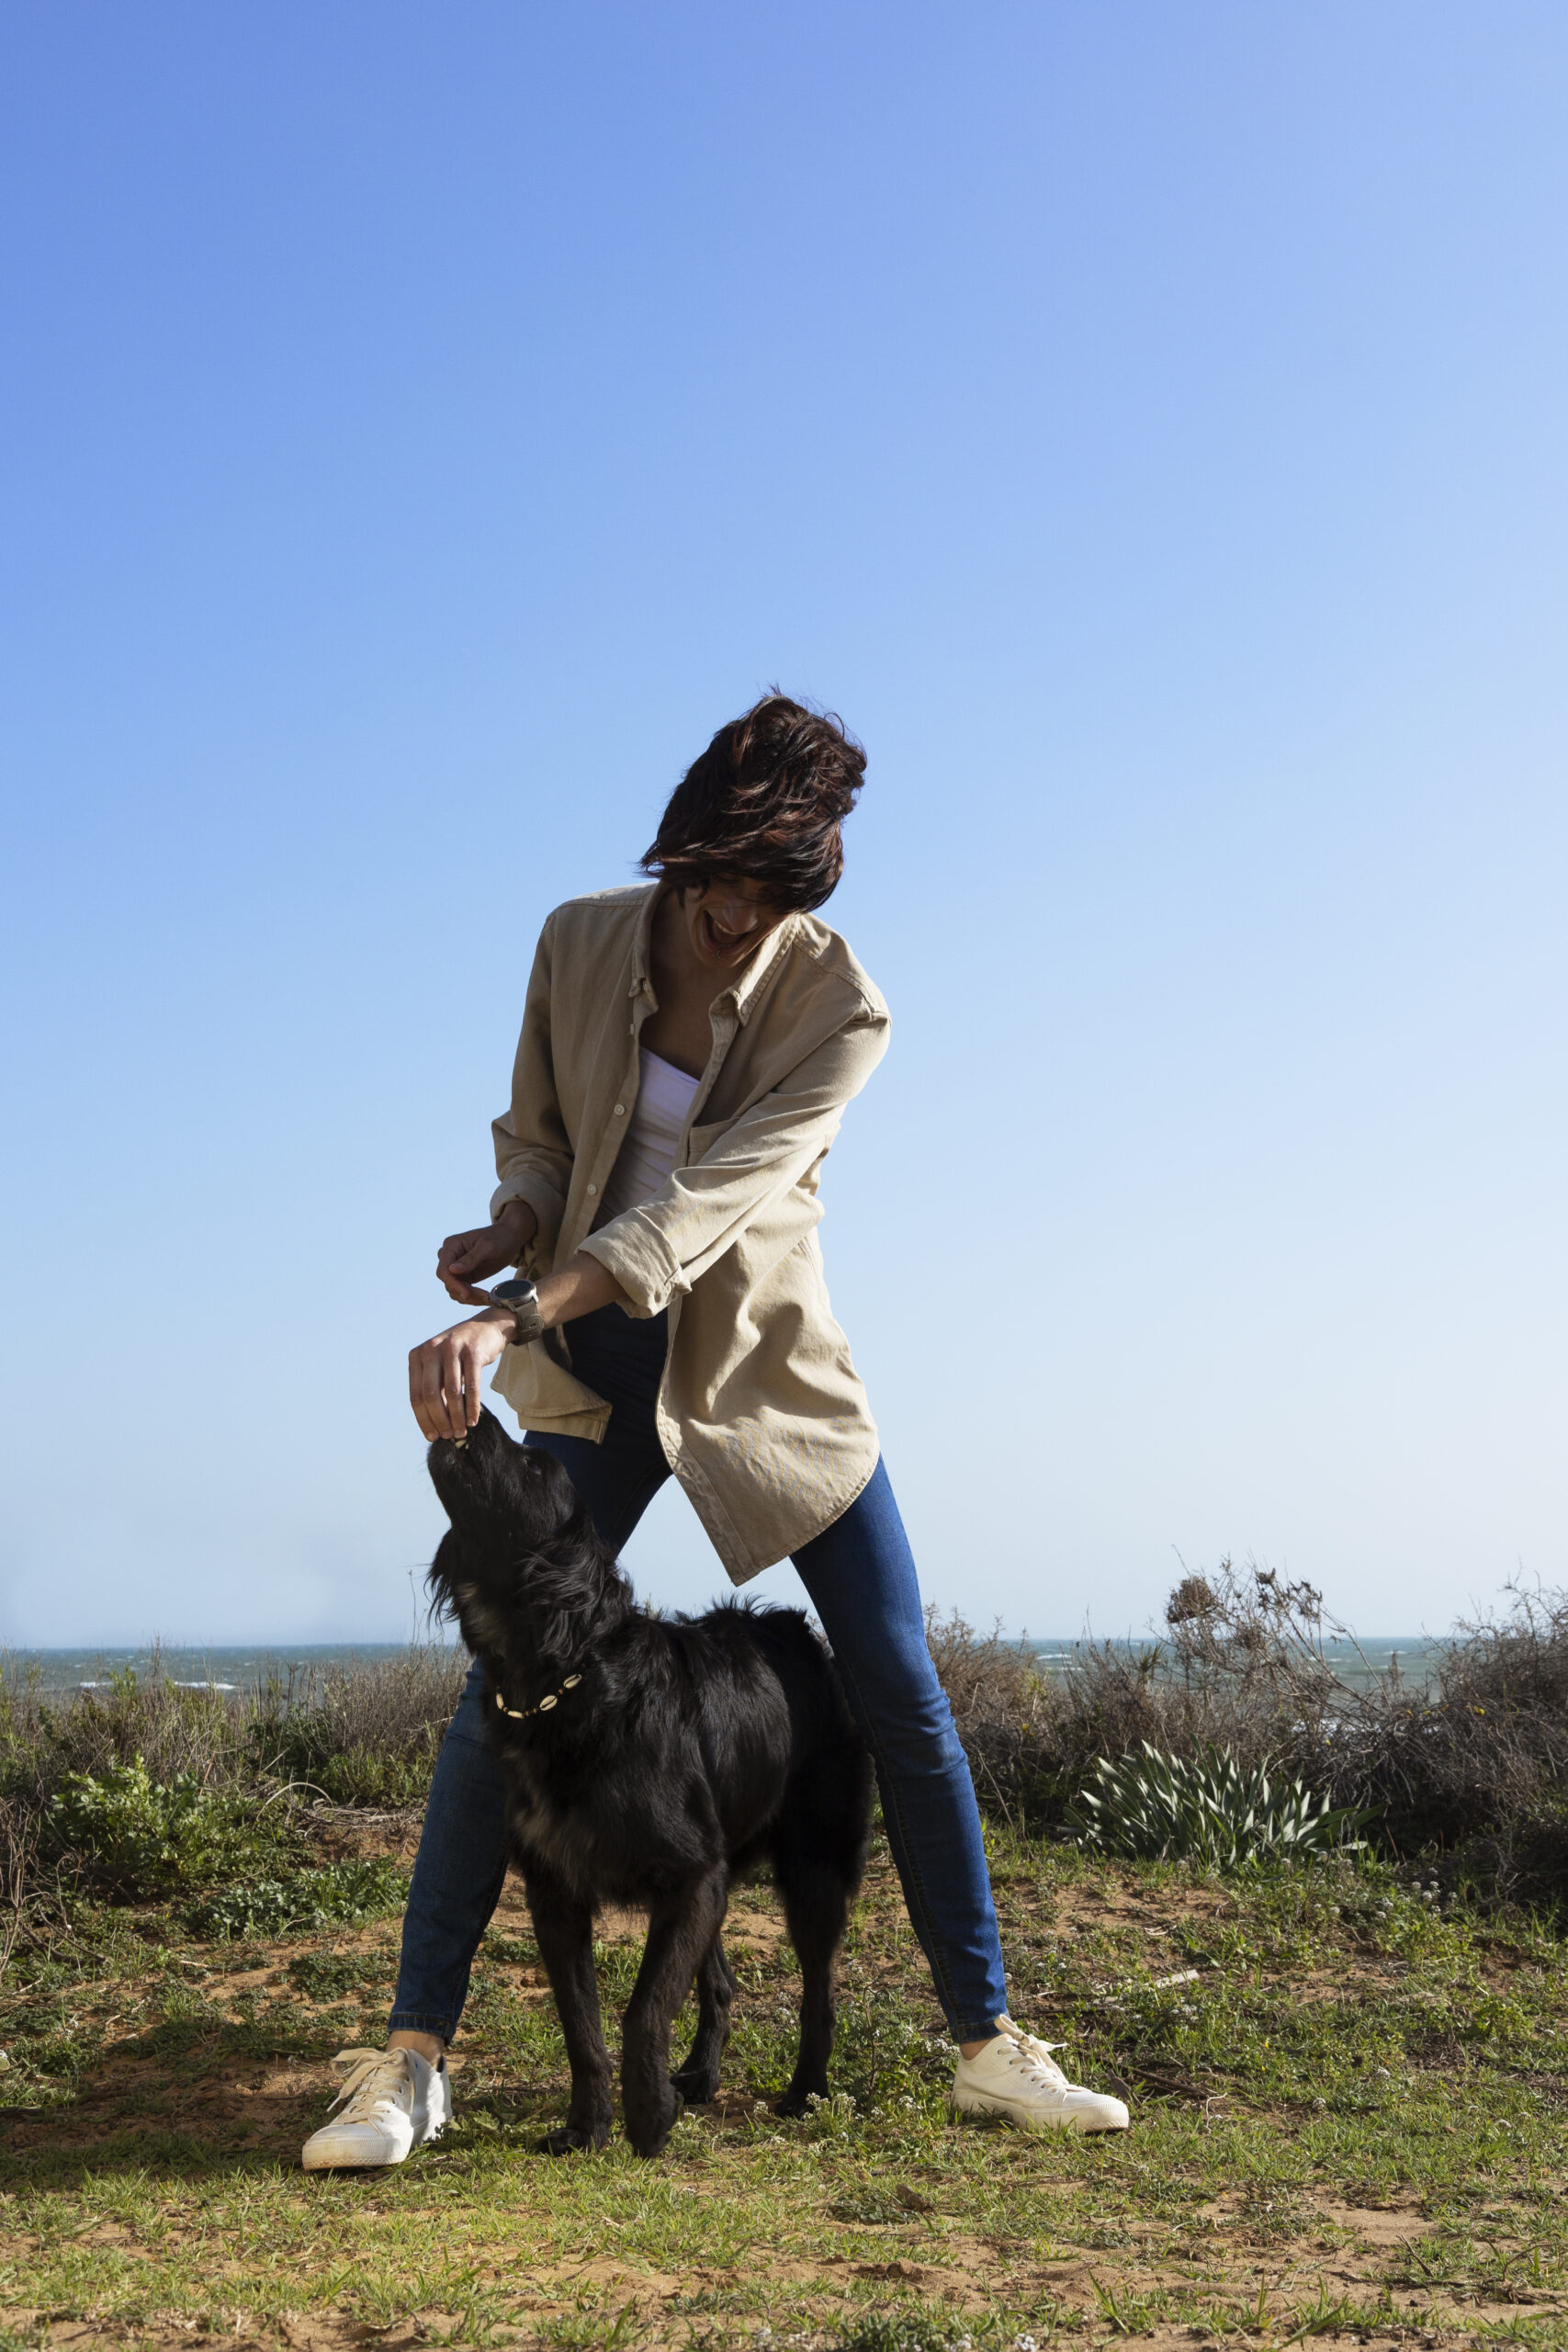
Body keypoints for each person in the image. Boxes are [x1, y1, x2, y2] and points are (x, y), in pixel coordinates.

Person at [301, 696, 1129, 2169]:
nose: (731, 922)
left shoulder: (844, 1008)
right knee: (498, 1699)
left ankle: (989, 2043)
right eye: (711, 890)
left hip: (762, 1374)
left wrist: (518, 1312)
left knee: (897, 1688)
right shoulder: (574, 940)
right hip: (587, 1355)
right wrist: (503, 1235)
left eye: (765, 902)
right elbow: (544, 1141)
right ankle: (412, 2062)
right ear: (677, 852)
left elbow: (703, 1207)